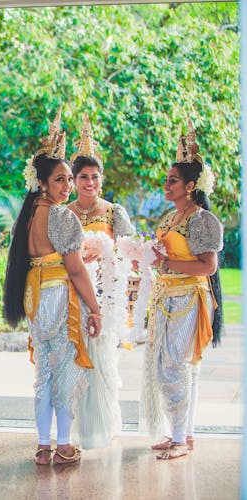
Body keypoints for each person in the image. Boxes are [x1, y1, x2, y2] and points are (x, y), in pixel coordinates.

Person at [3, 111, 102, 465]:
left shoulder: (26, 217)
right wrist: (96, 308)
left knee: (43, 372)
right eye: (61, 180)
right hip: (58, 297)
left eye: (68, 180)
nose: (68, 186)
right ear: (42, 183)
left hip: (33, 295)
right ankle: (63, 444)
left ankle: (43, 446)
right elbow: (75, 270)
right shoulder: (62, 216)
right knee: (65, 368)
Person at [139, 119, 223, 460]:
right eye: (167, 179)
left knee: (176, 364)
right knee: (165, 365)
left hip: (189, 297)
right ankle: (180, 434)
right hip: (166, 298)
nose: (166, 184)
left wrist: (168, 265)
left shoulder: (201, 219)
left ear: (190, 185)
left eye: (172, 180)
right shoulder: (169, 217)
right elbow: (165, 258)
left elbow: (209, 266)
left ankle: (179, 439)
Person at [67, 115, 136, 450]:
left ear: (101, 180)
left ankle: (102, 426)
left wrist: (106, 254)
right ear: (74, 180)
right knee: (74, 360)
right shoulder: (63, 213)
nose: (89, 182)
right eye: (83, 176)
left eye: (95, 176)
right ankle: (77, 428)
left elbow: (130, 254)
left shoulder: (113, 213)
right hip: (70, 297)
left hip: (105, 299)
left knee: (102, 359)